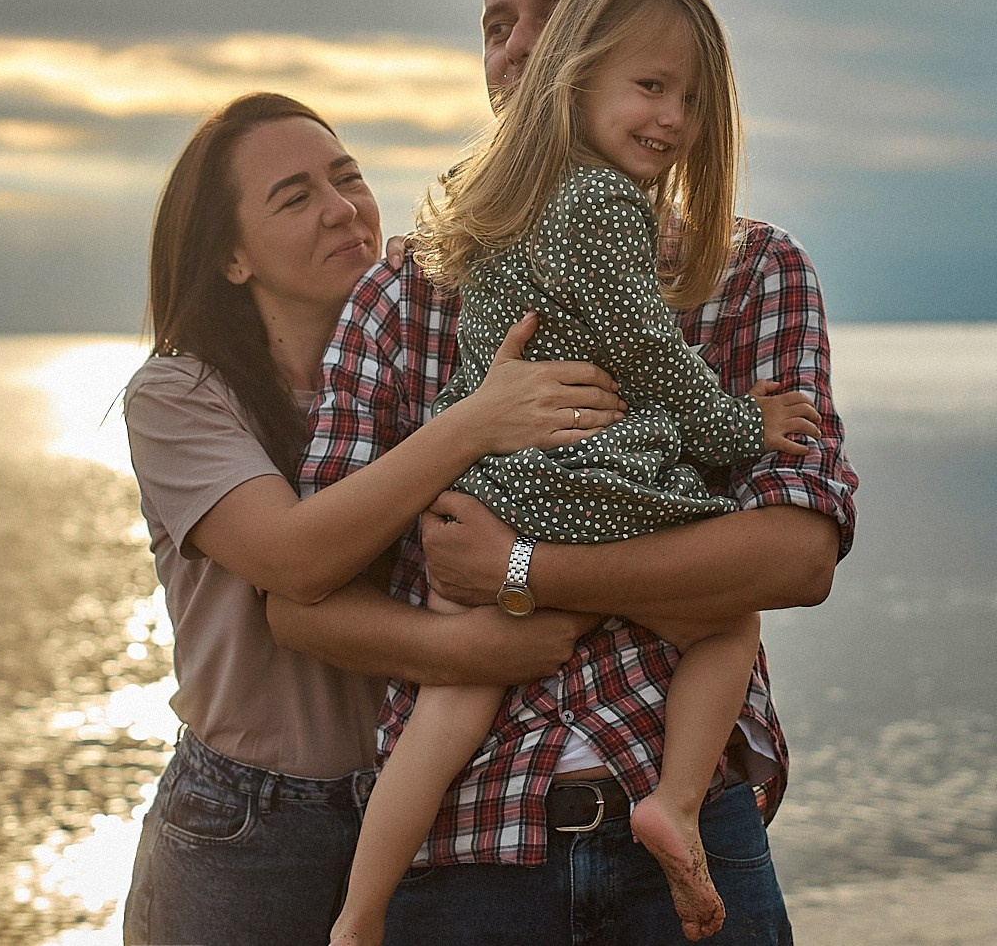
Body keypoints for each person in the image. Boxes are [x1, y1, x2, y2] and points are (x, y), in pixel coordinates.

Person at [282, 0, 858, 946]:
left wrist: (522, 572)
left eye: (554, 17)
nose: (517, 47)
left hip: (684, 839)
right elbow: (305, 588)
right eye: (495, 25)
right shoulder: (404, 291)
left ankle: (365, 914)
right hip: (473, 843)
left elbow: (797, 552)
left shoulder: (753, 271)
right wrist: (471, 626)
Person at [120, 91, 625, 945]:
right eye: (295, 197)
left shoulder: (426, 364)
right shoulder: (181, 396)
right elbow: (295, 560)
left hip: (427, 809)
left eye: (347, 177)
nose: (341, 208)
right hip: (249, 823)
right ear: (231, 257)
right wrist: (474, 425)